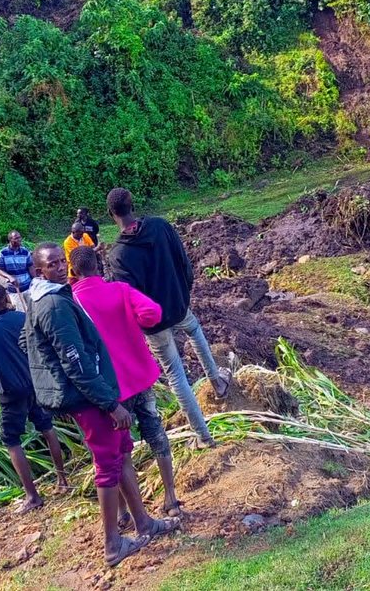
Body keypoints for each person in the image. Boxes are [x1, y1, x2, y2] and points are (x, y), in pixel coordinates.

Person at [24, 243, 179, 567]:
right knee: (108, 463)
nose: (58, 267)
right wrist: (111, 404)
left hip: (100, 392)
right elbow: (75, 362)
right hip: (92, 399)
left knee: (122, 450)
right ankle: (112, 544)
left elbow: (31, 342)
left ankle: (143, 523)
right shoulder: (53, 304)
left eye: (60, 261)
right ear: (39, 271)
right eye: (50, 264)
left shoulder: (50, 297)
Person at [105, 187, 230, 447]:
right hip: (178, 303)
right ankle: (217, 382)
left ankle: (203, 437)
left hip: (154, 323)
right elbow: (184, 261)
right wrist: (183, 293)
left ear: (110, 214)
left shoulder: (118, 254)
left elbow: (129, 296)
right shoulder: (160, 227)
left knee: (176, 374)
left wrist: (142, 323)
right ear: (133, 205)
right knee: (195, 331)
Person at [70, 245, 183, 518]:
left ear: (72, 271)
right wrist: (133, 324)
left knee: (119, 449)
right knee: (156, 434)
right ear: (98, 264)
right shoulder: (119, 290)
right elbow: (153, 313)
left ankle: (125, 510)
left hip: (111, 391)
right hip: (140, 377)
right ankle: (170, 497)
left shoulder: (73, 302)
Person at [0, 284, 69, 513]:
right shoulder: (22, 318)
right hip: (35, 383)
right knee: (47, 426)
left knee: (11, 440)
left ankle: (32, 496)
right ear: (7, 298)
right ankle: (62, 480)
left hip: (10, 391)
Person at [0, 231, 36, 310]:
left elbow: (30, 267)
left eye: (19, 237)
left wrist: (36, 279)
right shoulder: (3, 253)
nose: (19, 240)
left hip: (28, 287)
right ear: (10, 240)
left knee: (32, 310)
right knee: (21, 312)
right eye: (16, 238)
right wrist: (9, 277)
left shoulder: (25, 252)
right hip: (14, 289)